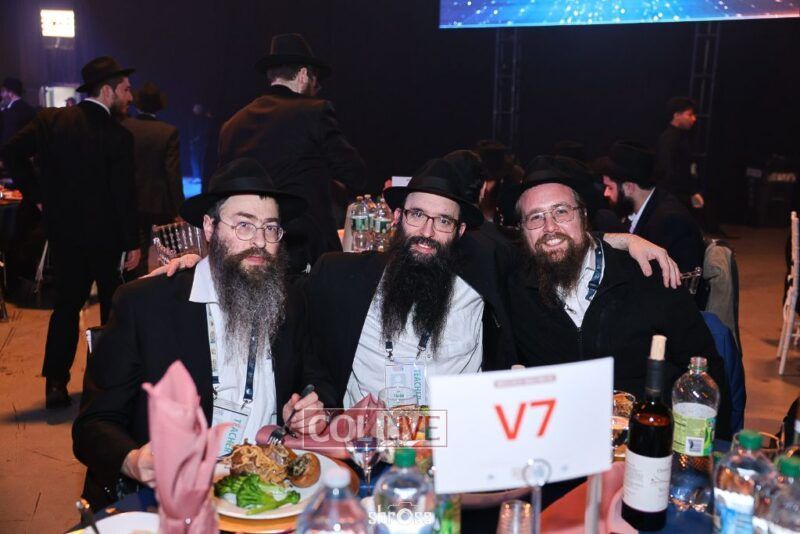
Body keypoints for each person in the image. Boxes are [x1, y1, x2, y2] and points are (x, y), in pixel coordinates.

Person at [73, 158, 324, 509]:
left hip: (266, 493)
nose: (259, 241)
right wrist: (132, 460)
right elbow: (93, 425)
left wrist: (310, 406)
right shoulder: (146, 305)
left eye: (270, 228)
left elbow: (314, 379)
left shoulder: (289, 302)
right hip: (172, 498)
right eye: (244, 225)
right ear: (209, 227)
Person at [505, 170, 732, 439]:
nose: (550, 227)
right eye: (535, 217)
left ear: (583, 216)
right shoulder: (514, 286)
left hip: (644, 441)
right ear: (522, 230)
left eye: (561, 212)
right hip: (560, 443)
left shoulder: (648, 276)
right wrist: (624, 237)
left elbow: (704, 371)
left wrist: (708, 447)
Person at [0, 56, 141, 408]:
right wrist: (133, 243)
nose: (130, 96)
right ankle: (105, 385)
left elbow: (11, 151)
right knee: (112, 311)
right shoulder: (119, 136)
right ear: (107, 91)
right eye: (125, 89)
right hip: (108, 241)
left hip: (65, 236)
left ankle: (55, 385)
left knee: (66, 307)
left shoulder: (52, 121)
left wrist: (38, 196)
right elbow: (124, 196)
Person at [219, 33, 366, 274]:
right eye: (315, 81)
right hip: (305, 248)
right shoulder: (314, 111)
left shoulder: (232, 124)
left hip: (248, 246)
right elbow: (355, 173)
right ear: (303, 74)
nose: (315, 89)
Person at [599, 140, 706, 273]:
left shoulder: (671, 222)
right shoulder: (632, 209)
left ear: (629, 187)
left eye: (610, 187)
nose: (606, 193)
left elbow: (676, 279)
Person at [122, 82, 183, 278]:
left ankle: (136, 291)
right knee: (168, 255)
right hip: (160, 202)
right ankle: (165, 292)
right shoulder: (168, 131)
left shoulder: (125, 127)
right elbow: (172, 173)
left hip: (131, 201)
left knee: (135, 256)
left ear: (137, 102)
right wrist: (178, 208)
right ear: (160, 104)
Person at [654, 96, 703, 210]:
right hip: (674, 197)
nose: (694, 119)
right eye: (689, 115)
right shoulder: (668, 139)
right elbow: (666, 170)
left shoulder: (684, 137)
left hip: (682, 195)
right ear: (676, 115)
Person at [1, 77, 37, 145]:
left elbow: (7, 138)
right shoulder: (30, 109)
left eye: (3, 91)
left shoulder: (9, 113)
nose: (1, 95)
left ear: (10, 93)